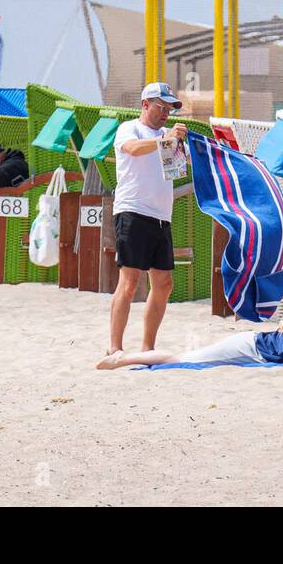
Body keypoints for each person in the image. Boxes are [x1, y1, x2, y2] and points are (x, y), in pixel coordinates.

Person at [104, 82, 188, 360]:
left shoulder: (168, 134)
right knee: (128, 282)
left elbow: (177, 169)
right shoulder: (130, 128)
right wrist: (165, 140)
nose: (165, 112)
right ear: (145, 104)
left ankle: (147, 346)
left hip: (161, 215)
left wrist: (180, 144)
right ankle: (115, 346)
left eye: (169, 108)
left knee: (164, 284)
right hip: (133, 210)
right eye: (160, 106)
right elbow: (132, 149)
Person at [97, 292, 283, 369]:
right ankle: (123, 358)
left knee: (189, 356)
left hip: (252, 348)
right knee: (181, 359)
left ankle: (125, 358)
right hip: (247, 347)